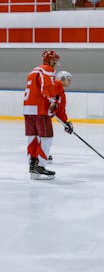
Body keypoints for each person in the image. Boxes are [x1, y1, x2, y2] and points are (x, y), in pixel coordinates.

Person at [23, 50, 60, 179]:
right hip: (39, 110)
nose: (55, 63)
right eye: (54, 60)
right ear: (49, 60)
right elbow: (47, 87)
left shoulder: (33, 71)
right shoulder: (47, 69)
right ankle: (41, 166)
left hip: (28, 109)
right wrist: (53, 100)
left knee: (32, 137)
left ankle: (32, 165)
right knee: (46, 137)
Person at [48, 71, 74, 162]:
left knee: (46, 135)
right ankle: (40, 155)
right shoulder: (52, 87)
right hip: (40, 114)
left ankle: (43, 154)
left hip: (45, 116)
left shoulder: (62, 93)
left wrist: (66, 123)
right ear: (62, 79)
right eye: (68, 79)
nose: (70, 81)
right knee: (43, 135)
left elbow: (60, 111)